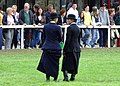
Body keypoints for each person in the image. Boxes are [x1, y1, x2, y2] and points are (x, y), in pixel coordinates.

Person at [37, 13, 62, 81]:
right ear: (56, 19)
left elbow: (44, 37)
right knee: (55, 63)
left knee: (47, 63)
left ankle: (47, 77)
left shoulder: (46, 26)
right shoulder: (58, 27)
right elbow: (60, 38)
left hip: (47, 47)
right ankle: (55, 78)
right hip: (56, 47)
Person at [61, 14, 81, 81]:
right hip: (77, 48)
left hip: (70, 48)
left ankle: (66, 77)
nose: (67, 20)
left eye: (68, 19)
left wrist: (64, 49)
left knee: (66, 63)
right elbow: (78, 39)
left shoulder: (70, 28)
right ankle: (73, 76)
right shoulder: (78, 28)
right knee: (75, 63)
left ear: (71, 20)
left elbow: (68, 40)